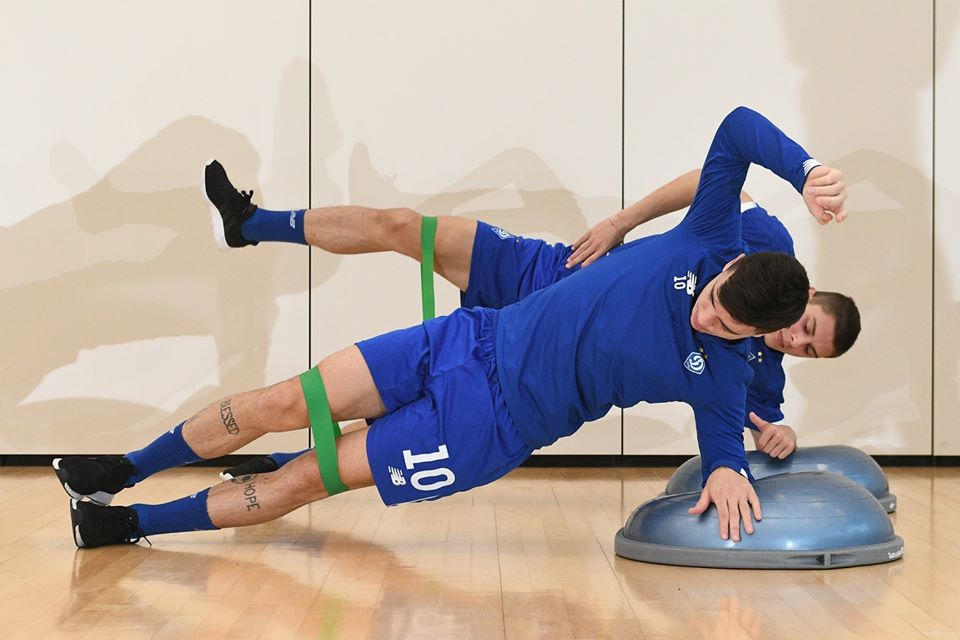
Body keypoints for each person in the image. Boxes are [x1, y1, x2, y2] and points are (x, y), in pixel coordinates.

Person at [54, 107, 838, 550]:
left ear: (752, 339)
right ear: (733, 263)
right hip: (472, 340)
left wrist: (730, 470)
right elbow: (738, 128)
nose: (704, 314)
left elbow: (727, 447)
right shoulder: (715, 236)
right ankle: (123, 467)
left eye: (722, 324)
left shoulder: (728, 378)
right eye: (713, 297)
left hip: (487, 424)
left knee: (308, 475)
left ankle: (125, 524)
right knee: (283, 401)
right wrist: (805, 170)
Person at [216, 167, 856, 481]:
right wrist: (622, 221)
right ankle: (250, 225)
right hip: (552, 273)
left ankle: (282, 463)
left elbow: (751, 430)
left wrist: (782, 435)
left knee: (401, 409)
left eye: (809, 351)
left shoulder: (755, 372)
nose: (794, 340)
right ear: (807, 293)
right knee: (404, 227)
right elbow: (710, 180)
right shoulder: (768, 247)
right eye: (806, 326)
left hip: (539, 360)